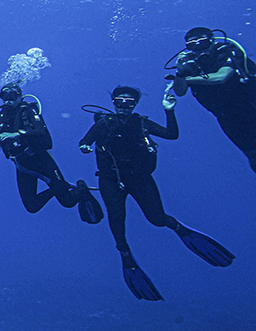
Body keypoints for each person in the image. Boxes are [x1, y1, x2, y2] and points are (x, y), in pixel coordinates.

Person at [79, 85, 235, 301]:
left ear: (135, 105)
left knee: (157, 219)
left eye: (129, 103)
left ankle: (180, 229)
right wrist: (85, 147)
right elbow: (84, 141)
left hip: (139, 178)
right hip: (110, 180)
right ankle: (126, 255)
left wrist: (169, 110)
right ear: (114, 102)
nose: (124, 107)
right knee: (117, 218)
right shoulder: (104, 124)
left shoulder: (142, 123)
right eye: (120, 102)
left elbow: (172, 134)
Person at [0, 82, 103, 223]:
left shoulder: (29, 111)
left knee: (68, 201)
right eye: (5, 96)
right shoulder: (2, 115)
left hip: (40, 159)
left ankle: (80, 189)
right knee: (32, 206)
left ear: (20, 96)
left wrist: (17, 135)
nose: (8, 100)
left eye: (12, 96)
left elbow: (41, 132)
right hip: (22, 164)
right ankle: (59, 187)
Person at [169, 27, 256, 172]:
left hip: (251, 106)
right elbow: (180, 91)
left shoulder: (228, 51)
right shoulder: (190, 64)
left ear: (212, 42)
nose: (198, 48)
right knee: (252, 155)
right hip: (228, 117)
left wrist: (188, 79)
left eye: (202, 43)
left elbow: (222, 77)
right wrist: (180, 73)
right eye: (192, 45)